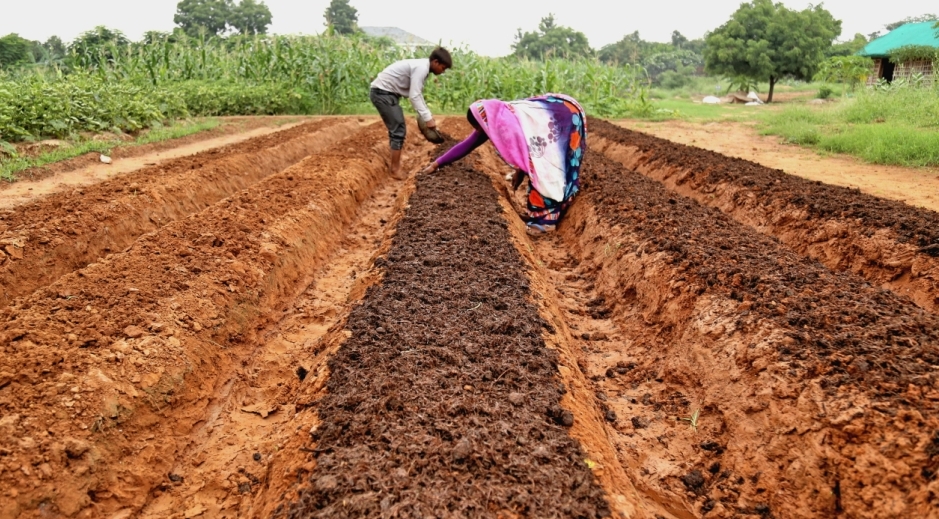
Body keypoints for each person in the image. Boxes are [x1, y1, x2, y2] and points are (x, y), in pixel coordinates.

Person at [420, 93, 586, 235]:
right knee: (539, 167)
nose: (479, 131)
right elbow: (467, 145)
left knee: (545, 168)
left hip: (563, 115)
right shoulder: (492, 119)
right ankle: (541, 215)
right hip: (561, 110)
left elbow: (529, 152)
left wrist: (521, 171)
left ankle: (545, 223)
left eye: (478, 127)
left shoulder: (506, 123)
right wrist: (437, 164)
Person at [369, 47, 452, 179]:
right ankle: (395, 170)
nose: (443, 71)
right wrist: (427, 118)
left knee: (398, 127)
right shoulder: (422, 68)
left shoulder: (422, 67)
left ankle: (395, 167)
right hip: (382, 93)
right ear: (436, 62)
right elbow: (414, 95)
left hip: (386, 94)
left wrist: (427, 115)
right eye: (443, 68)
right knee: (398, 129)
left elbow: (417, 94)